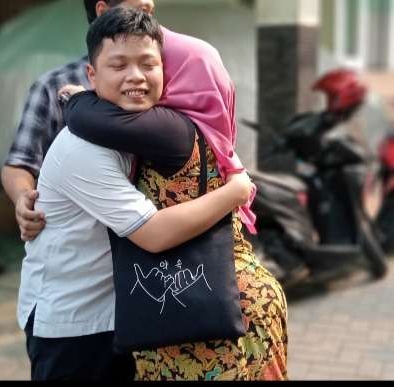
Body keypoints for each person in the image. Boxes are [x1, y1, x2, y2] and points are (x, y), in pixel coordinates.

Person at [17, 8, 254, 381]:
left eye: (148, 64)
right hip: (75, 325)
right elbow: (154, 233)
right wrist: (236, 192)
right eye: (120, 65)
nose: (136, 77)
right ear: (92, 75)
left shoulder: (139, 129)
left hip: (122, 315)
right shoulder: (82, 150)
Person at [1, 0, 155, 242]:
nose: (135, 77)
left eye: (151, 11)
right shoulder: (53, 86)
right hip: (78, 251)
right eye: (140, 10)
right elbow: (19, 163)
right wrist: (24, 198)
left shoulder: (159, 82)